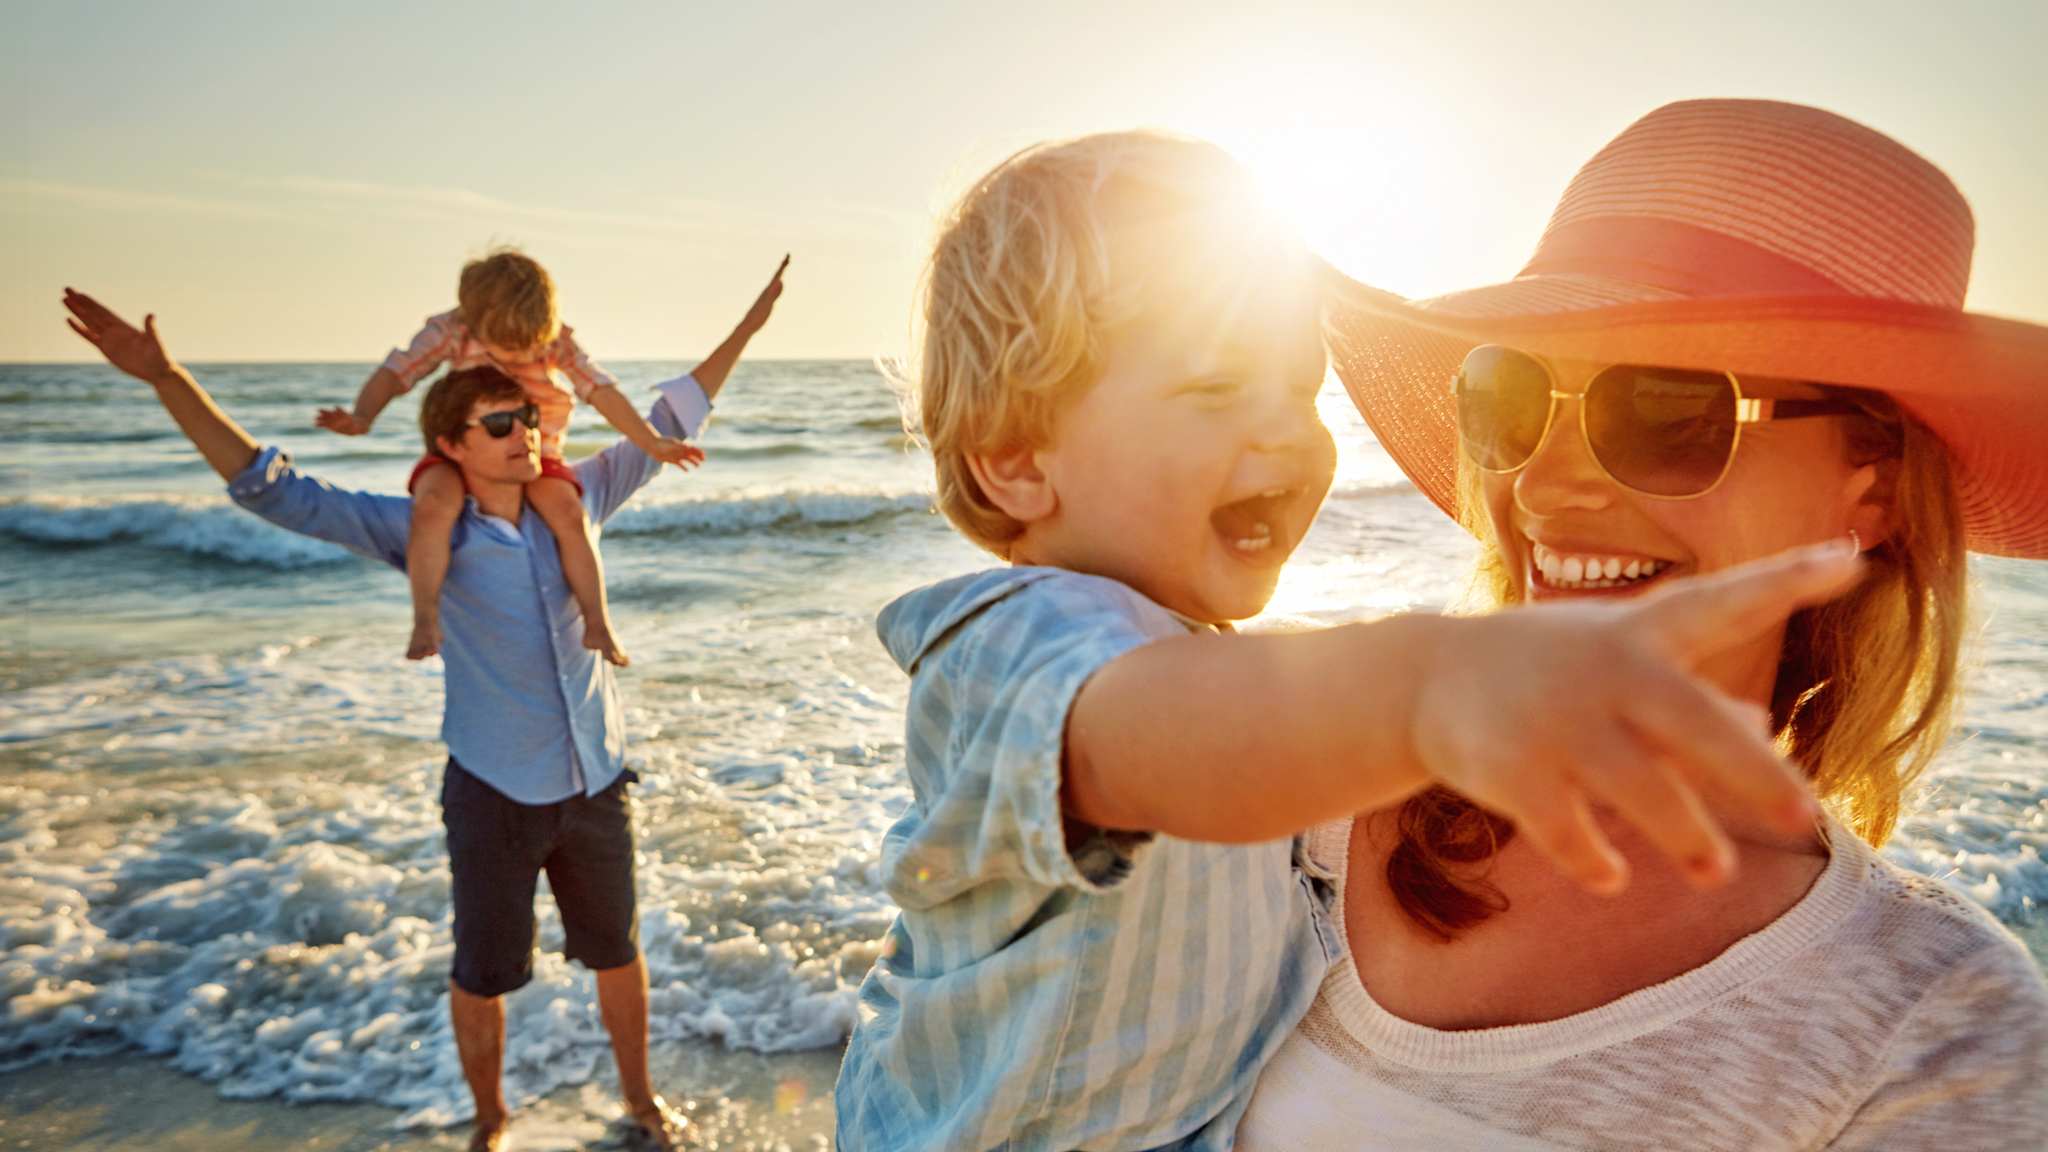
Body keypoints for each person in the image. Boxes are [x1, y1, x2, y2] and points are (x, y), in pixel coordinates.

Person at [835, 130, 1865, 1152]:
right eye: (1214, 390)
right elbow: (1169, 738)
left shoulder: (1194, 655)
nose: (1288, 436)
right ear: (1016, 460)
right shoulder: (1012, 645)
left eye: (1302, 390)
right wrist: (1428, 683)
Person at [1238, 99, 2048, 1149]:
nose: (1546, 480)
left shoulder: (1938, 1024)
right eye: (1509, 396)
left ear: (1873, 489)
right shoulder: (1268, 751)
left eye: (1665, 411)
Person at [61, 258, 787, 1152]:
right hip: (492, 792)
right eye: (500, 423)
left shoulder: (582, 497)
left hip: (598, 781)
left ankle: (640, 1103)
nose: (526, 430)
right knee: (484, 973)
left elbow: (674, 412)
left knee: (618, 951)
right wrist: (168, 379)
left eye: (527, 416)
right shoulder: (419, 530)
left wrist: (750, 327)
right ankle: (491, 1122)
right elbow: (273, 489)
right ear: (452, 444)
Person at [314, 248, 731, 666]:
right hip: (467, 442)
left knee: (569, 513)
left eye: (529, 345)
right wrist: (363, 415)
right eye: (505, 346)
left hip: (536, 447)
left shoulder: (554, 338)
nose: (519, 356)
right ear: (474, 321)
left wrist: (650, 441)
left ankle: (598, 623)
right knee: (434, 506)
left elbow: (599, 390)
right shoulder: (451, 330)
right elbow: (398, 371)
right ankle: (425, 619)